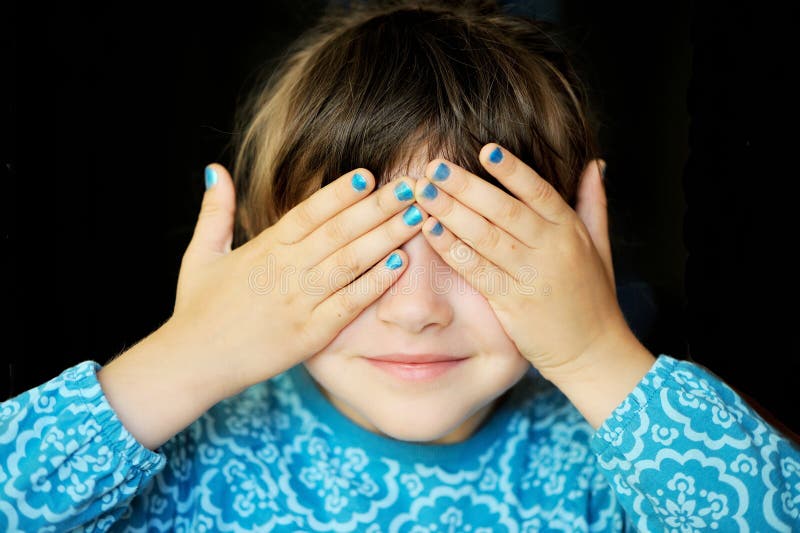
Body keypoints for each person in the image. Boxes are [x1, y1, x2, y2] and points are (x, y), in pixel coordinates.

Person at [2, 1, 798, 531]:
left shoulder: (615, 471)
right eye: (356, 253)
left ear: (578, 256)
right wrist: (188, 357)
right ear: (261, 255)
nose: (416, 310)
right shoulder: (186, 454)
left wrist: (597, 354)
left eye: (477, 248)